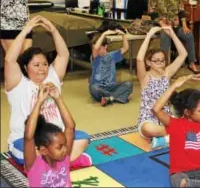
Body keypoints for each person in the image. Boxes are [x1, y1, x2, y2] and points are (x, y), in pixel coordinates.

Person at [4, 16, 91, 168]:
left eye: (44, 64)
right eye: (36, 65)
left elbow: (64, 54)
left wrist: (52, 28)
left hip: (55, 137)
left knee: (83, 139)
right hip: (26, 140)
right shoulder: (18, 83)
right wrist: (26, 30)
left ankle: (54, 163)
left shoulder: (52, 76)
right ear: (25, 67)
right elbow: (9, 60)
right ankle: (67, 161)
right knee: (35, 153)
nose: (42, 68)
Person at [136, 26, 188, 149]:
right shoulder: (145, 77)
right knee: (148, 129)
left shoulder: (167, 73)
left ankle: (165, 139)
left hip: (166, 118)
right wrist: (148, 36)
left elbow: (183, 54)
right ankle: (174, 134)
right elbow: (139, 58)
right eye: (156, 61)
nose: (160, 63)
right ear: (148, 62)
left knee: (188, 122)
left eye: (163, 61)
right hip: (148, 119)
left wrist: (172, 35)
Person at [24, 83, 74, 187]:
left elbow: (70, 127)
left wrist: (58, 98)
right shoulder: (34, 166)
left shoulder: (63, 159)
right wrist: (39, 101)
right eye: (60, 147)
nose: (65, 149)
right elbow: (29, 137)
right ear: (43, 150)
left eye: (65, 145)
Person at [148, 0, 199, 73]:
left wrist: (184, 25)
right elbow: (152, 12)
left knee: (189, 35)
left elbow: (181, 11)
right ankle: (164, 66)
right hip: (160, 25)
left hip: (175, 26)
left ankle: (191, 63)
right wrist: (163, 24)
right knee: (166, 36)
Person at [89, 29, 133, 106]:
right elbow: (95, 48)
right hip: (99, 87)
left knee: (129, 84)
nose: (96, 50)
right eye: (94, 48)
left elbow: (126, 48)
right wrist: (104, 34)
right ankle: (118, 97)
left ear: (105, 46)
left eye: (99, 48)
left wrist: (123, 36)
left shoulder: (112, 55)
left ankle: (109, 98)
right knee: (93, 89)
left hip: (112, 86)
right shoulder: (95, 58)